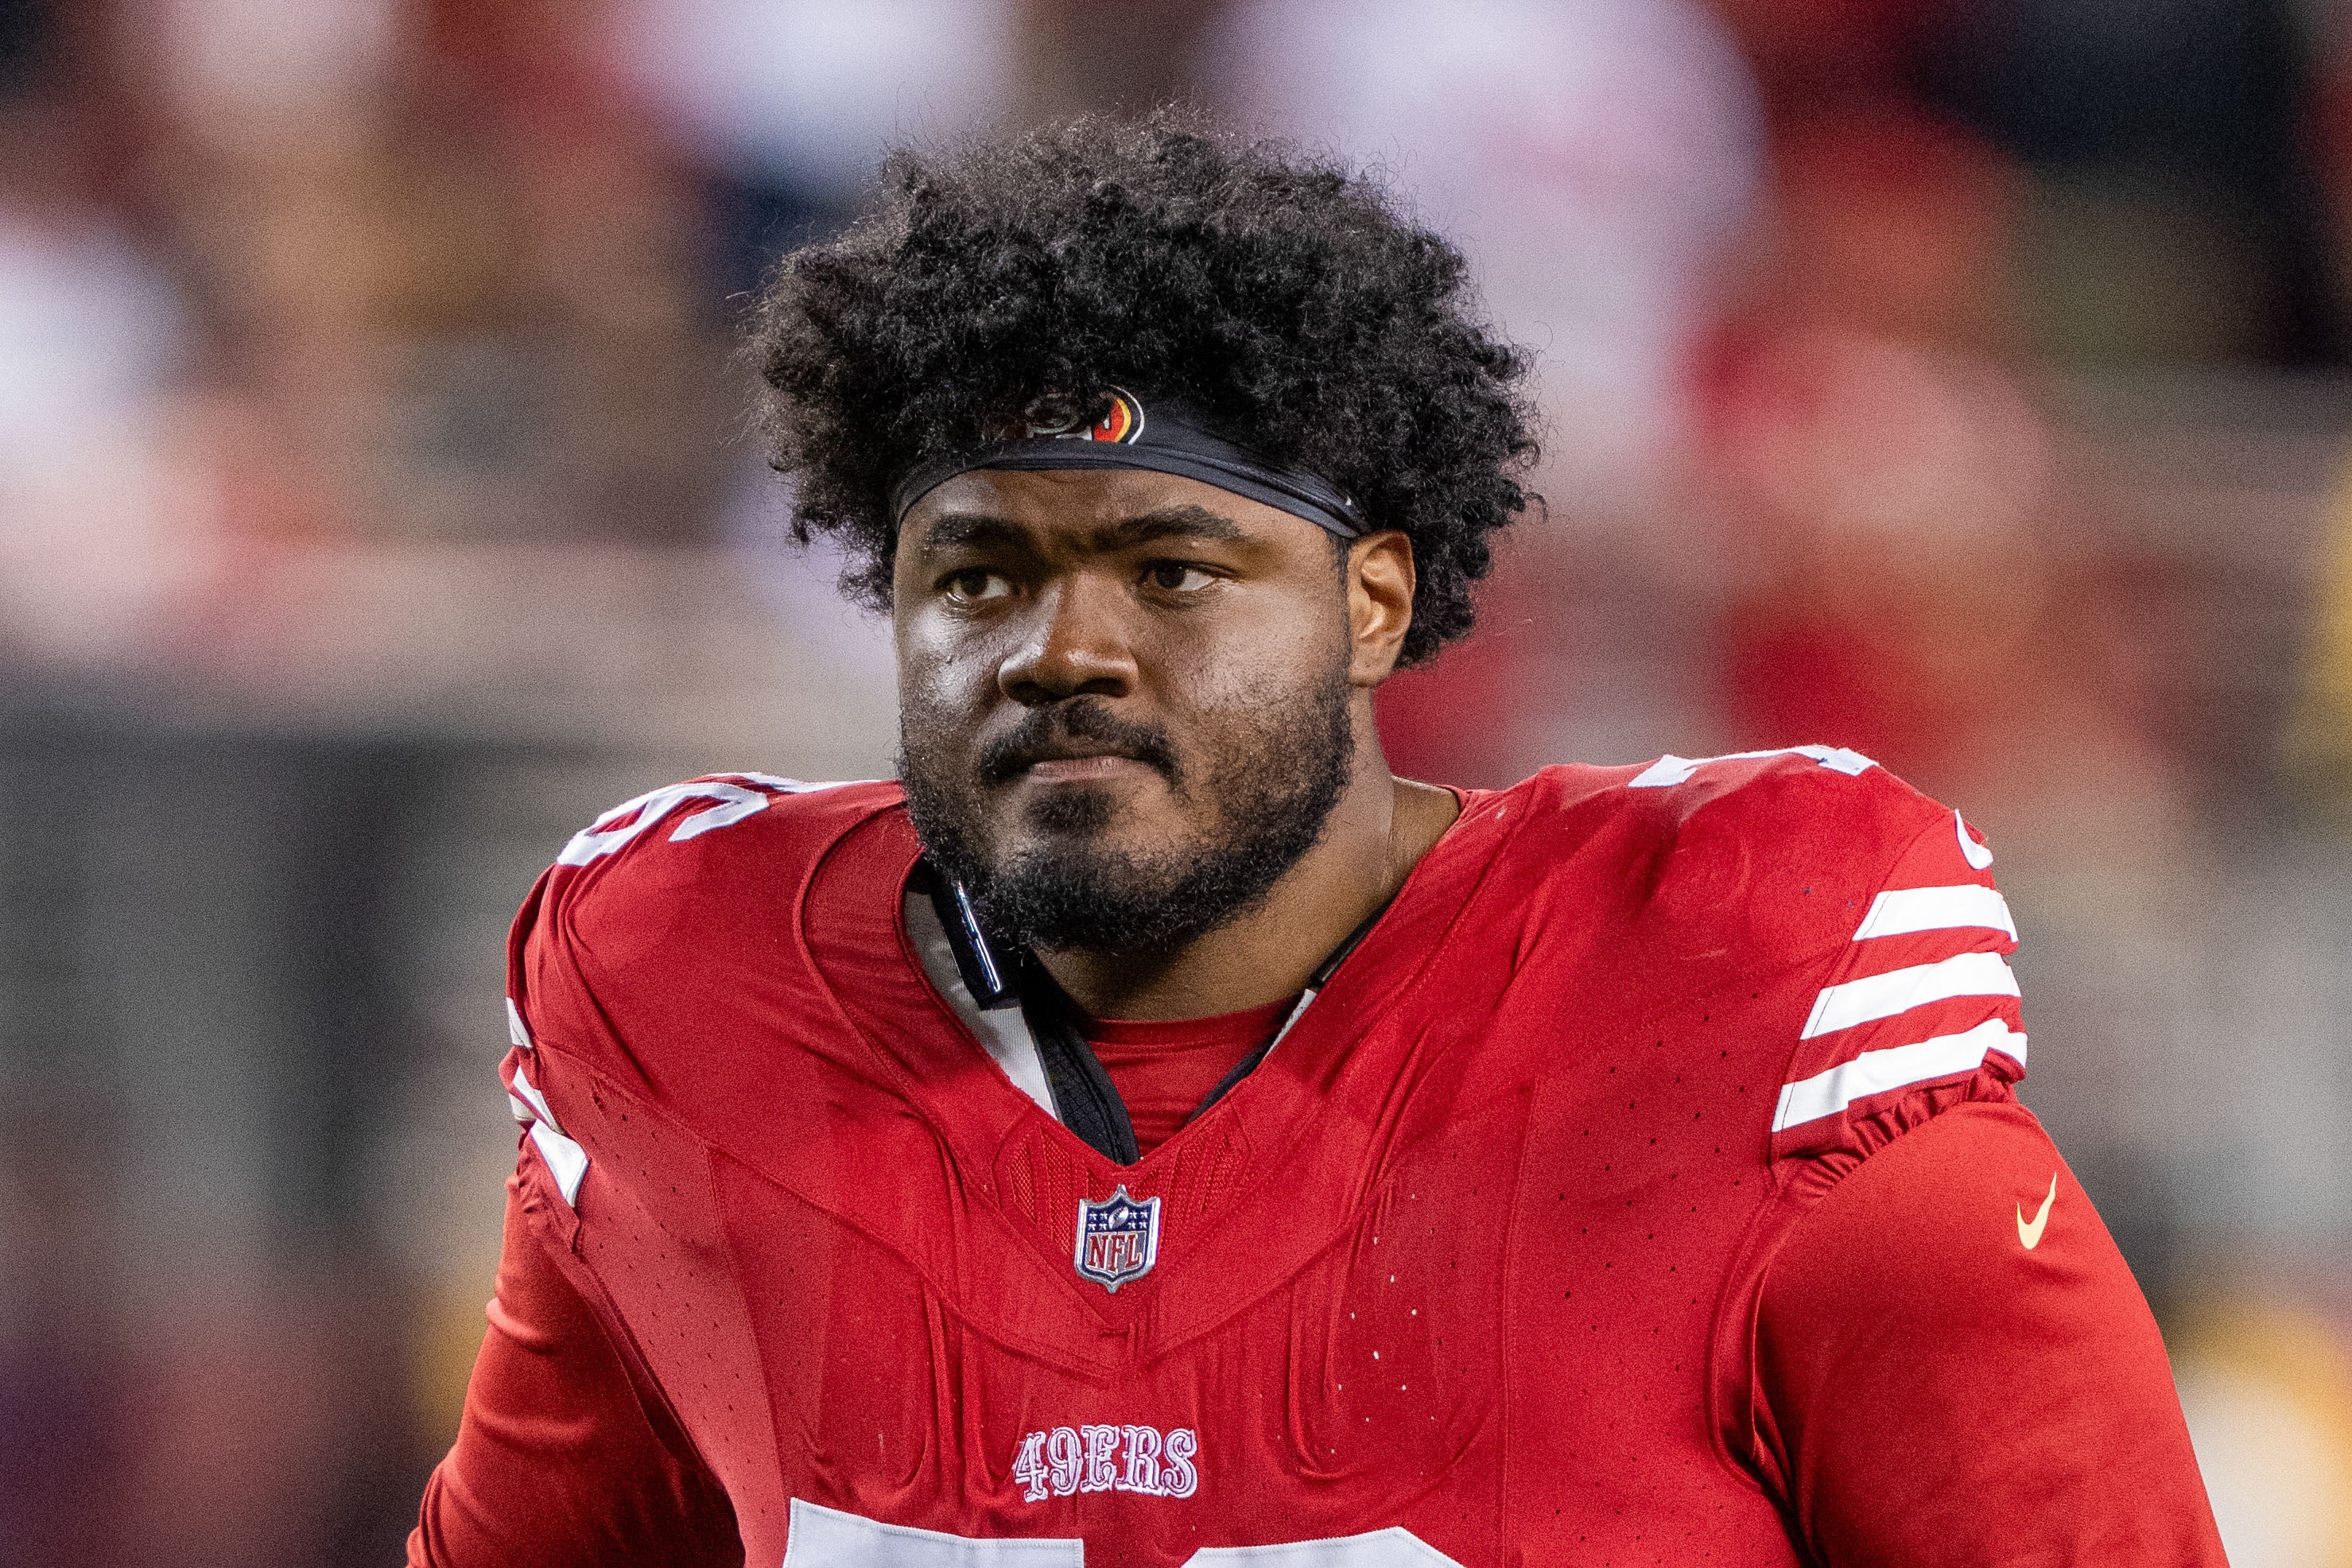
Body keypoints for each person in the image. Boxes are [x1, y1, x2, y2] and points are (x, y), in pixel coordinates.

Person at [408, 115, 2223, 1566]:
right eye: (979, 572)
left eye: (1173, 567)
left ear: (1372, 602)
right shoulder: (681, 992)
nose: (1065, 649)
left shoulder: (1739, 1002)